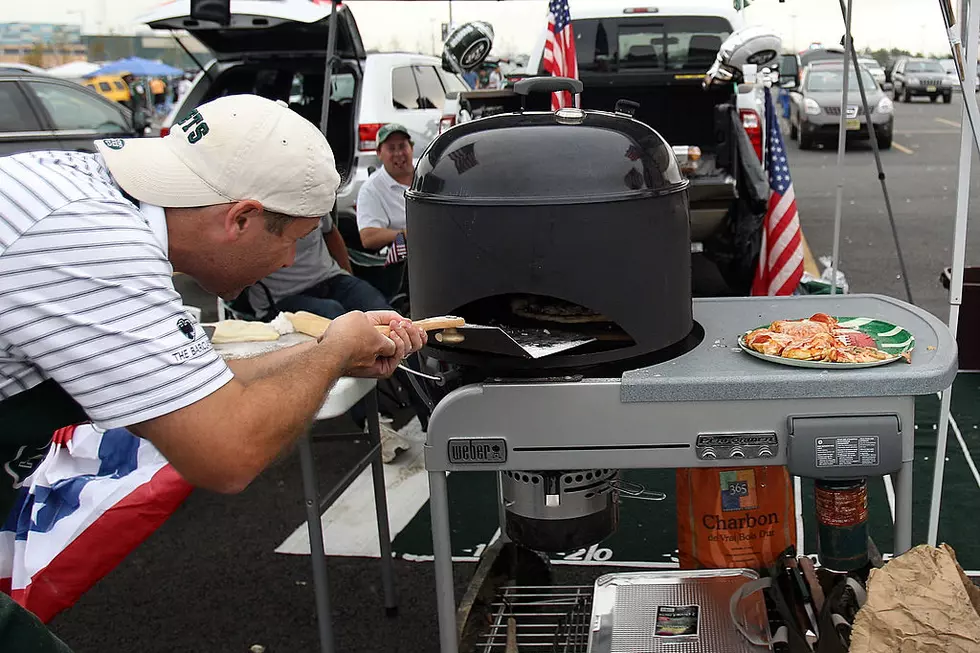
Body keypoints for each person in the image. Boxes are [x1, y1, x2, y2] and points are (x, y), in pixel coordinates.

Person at [0, 94, 427, 651]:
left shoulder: (94, 197)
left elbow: (203, 376)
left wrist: (338, 349)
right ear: (242, 219)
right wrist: (331, 349)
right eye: (293, 242)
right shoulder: (99, 246)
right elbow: (227, 452)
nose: (287, 263)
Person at [356, 123, 413, 251]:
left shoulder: (428, 175)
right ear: (379, 153)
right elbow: (368, 237)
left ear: (411, 148)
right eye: (391, 148)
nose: (398, 153)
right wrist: (408, 234)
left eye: (402, 146)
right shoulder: (371, 190)